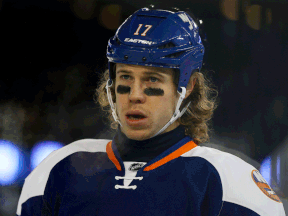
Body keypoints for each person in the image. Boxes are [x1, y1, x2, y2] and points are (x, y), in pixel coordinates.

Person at [16, 5, 286, 216]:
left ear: (188, 86)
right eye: (125, 78)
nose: (134, 95)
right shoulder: (58, 169)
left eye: (152, 80)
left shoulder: (229, 182)